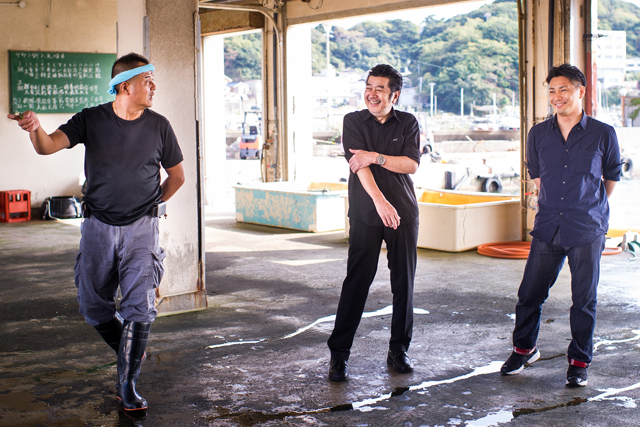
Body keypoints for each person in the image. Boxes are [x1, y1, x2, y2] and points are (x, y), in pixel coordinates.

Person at [7, 52, 185, 410]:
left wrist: (151, 207)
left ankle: (128, 385)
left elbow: (177, 177)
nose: (153, 87)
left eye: (153, 80)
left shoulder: (159, 125)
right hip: (97, 226)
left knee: (139, 305)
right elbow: (47, 146)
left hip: (141, 228)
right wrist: (34, 128)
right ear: (124, 86)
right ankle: (131, 346)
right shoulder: (91, 119)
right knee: (93, 305)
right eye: (146, 80)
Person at [500, 64, 621, 387]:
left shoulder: (603, 133)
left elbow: (610, 178)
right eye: (552, 90)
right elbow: (539, 177)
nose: (557, 96)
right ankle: (524, 349)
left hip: (587, 227)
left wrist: (587, 206)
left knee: (583, 299)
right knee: (530, 293)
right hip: (549, 224)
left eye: (564, 89)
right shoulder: (538, 134)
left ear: (580, 91)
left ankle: (579, 361)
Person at [327, 64, 421, 382]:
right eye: (369, 86)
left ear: (394, 94)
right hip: (368, 214)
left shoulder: (408, 122)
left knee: (404, 284)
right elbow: (358, 166)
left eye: (380, 88)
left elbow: (410, 164)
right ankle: (339, 356)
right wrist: (381, 202)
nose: (372, 93)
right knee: (357, 283)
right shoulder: (353, 121)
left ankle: (399, 351)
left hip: (403, 214)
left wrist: (375, 156)